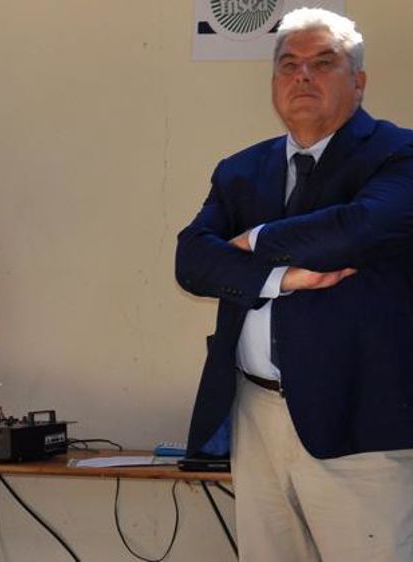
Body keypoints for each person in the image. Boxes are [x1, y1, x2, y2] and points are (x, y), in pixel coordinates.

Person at [176, 8, 413, 561]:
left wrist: (252, 239)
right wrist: (282, 277)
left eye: (322, 63)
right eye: (289, 65)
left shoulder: (397, 155)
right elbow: (191, 260)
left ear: (358, 81)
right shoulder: (241, 170)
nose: (302, 76)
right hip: (256, 417)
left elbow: (357, 230)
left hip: (361, 427)